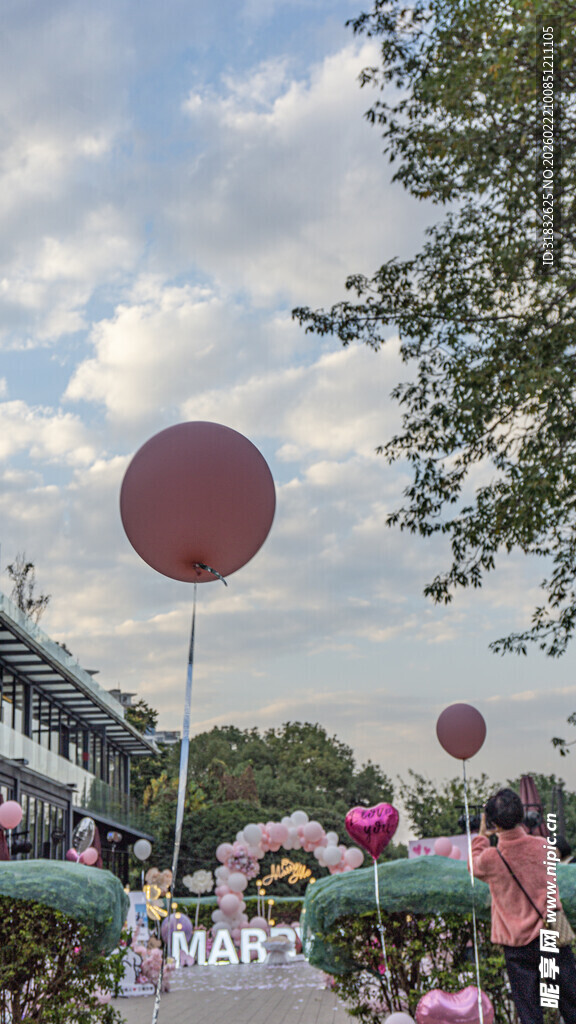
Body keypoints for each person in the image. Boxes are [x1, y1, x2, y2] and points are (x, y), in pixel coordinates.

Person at [469, 787, 576, 1024]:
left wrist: (482, 835)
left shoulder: (490, 859)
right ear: (520, 815)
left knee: (529, 1011)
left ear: (494, 823)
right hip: (551, 933)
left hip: (516, 943)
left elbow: (473, 864)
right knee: (570, 1001)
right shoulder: (543, 846)